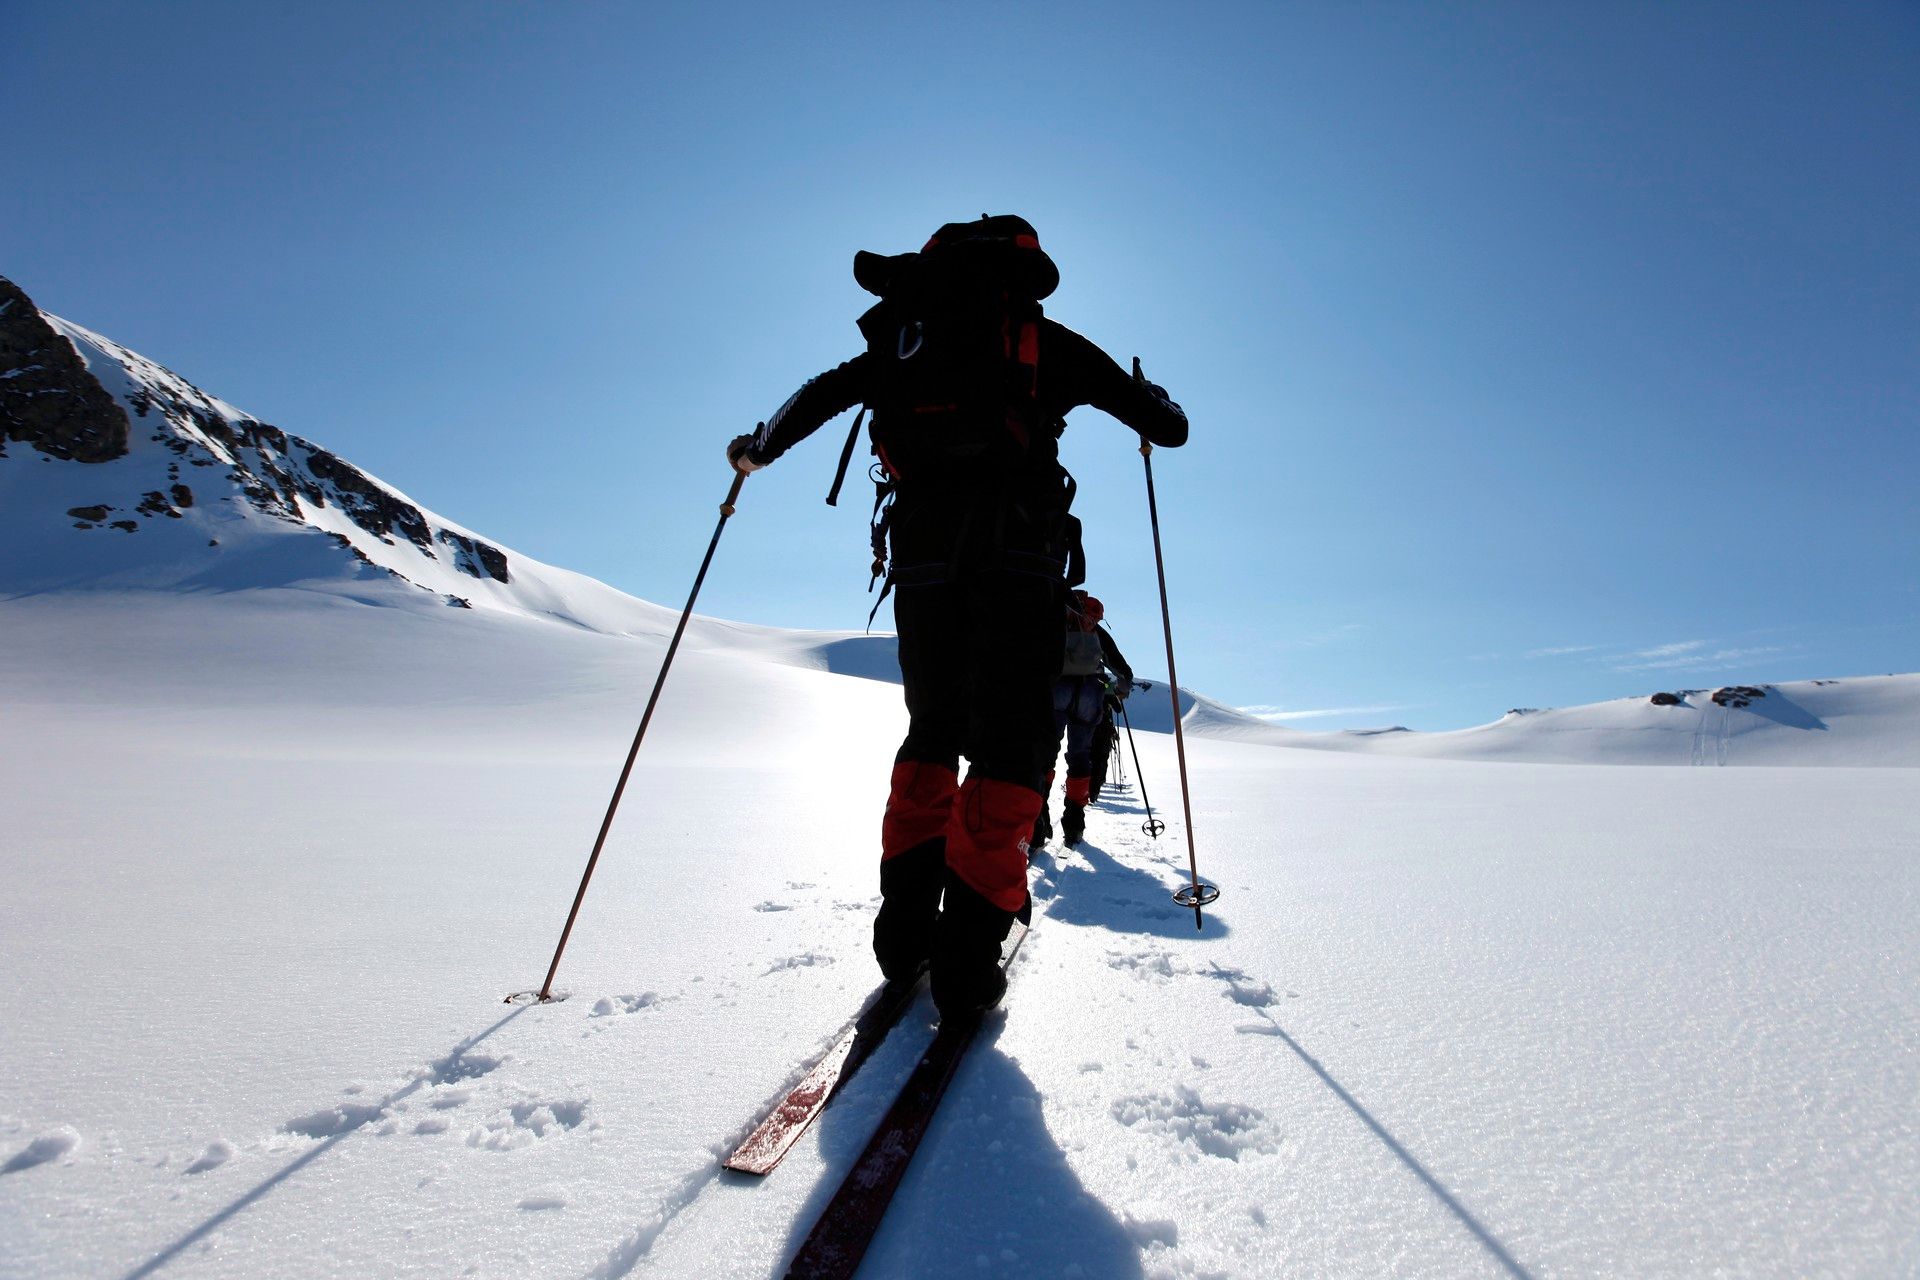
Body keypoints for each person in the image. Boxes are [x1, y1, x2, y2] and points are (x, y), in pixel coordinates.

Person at [727, 215, 1187, 1019]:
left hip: (921, 558)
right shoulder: (1044, 343)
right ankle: (970, 951)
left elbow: (816, 400)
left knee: (932, 730)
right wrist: (1152, 399)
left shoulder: (902, 341)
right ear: (1024, 276)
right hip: (1018, 558)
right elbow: (1168, 428)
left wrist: (755, 450)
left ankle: (903, 933)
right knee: (1012, 740)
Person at [1035, 591, 1134, 848]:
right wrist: (1119, 689)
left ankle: (1037, 817)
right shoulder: (1098, 635)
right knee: (1080, 757)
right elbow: (1124, 672)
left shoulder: (1057, 625)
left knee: (1045, 754)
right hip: (1089, 696)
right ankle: (1074, 822)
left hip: (1056, 692)